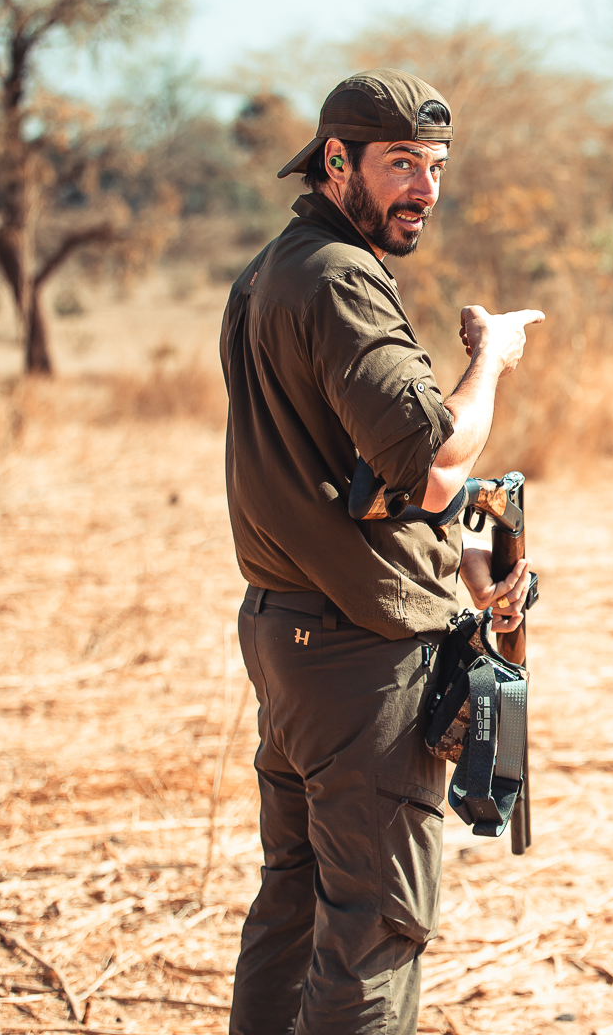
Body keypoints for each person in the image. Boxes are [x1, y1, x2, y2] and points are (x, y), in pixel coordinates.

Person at [219, 68, 544, 1035]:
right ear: (336, 161)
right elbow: (436, 464)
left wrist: (456, 560)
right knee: (374, 929)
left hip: (289, 637)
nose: (424, 189)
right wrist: (490, 357)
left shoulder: (269, 272)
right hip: (360, 661)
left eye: (435, 166)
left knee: (293, 906)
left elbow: (346, 473)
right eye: (401, 163)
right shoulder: (341, 278)